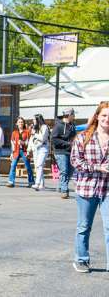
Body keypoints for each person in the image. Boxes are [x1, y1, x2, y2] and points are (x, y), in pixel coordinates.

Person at [70, 101, 109, 273]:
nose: (107, 119)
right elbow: (75, 161)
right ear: (97, 116)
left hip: (107, 188)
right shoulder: (83, 136)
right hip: (87, 187)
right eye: (104, 115)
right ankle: (81, 259)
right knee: (84, 225)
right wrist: (96, 167)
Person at [52, 108, 77, 199]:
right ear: (68, 115)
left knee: (70, 171)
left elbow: (74, 137)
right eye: (73, 115)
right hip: (60, 151)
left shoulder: (72, 125)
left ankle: (61, 185)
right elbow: (54, 139)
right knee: (64, 170)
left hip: (70, 151)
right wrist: (67, 143)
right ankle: (64, 190)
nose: (74, 117)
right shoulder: (58, 126)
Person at [7, 117, 34, 188]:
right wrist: (11, 153)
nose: (20, 123)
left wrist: (23, 143)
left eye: (22, 122)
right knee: (13, 165)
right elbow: (12, 143)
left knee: (28, 166)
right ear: (17, 123)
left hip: (24, 151)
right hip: (16, 151)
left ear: (24, 123)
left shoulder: (27, 132)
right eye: (19, 122)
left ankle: (31, 182)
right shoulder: (14, 133)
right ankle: (11, 181)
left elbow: (29, 142)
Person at [29, 114, 50, 191]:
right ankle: (42, 184)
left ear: (38, 120)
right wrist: (30, 148)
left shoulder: (44, 127)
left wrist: (35, 134)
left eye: (34, 119)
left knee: (39, 165)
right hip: (36, 148)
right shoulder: (35, 128)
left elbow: (43, 138)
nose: (33, 121)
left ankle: (37, 183)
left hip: (43, 148)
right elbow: (31, 138)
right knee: (37, 166)